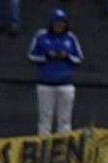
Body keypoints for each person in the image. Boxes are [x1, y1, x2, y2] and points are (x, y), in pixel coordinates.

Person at [27, 8, 83, 136]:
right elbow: (31, 56)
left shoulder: (71, 37)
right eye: (57, 22)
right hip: (45, 84)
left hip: (66, 84)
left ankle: (63, 146)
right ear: (51, 23)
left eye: (62, 22)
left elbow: (79, 58)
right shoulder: (41, 35)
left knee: (65, 120)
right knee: (45, 120)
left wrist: (67, 56)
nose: (59, 25)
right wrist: (46, 56)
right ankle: (44, 146)